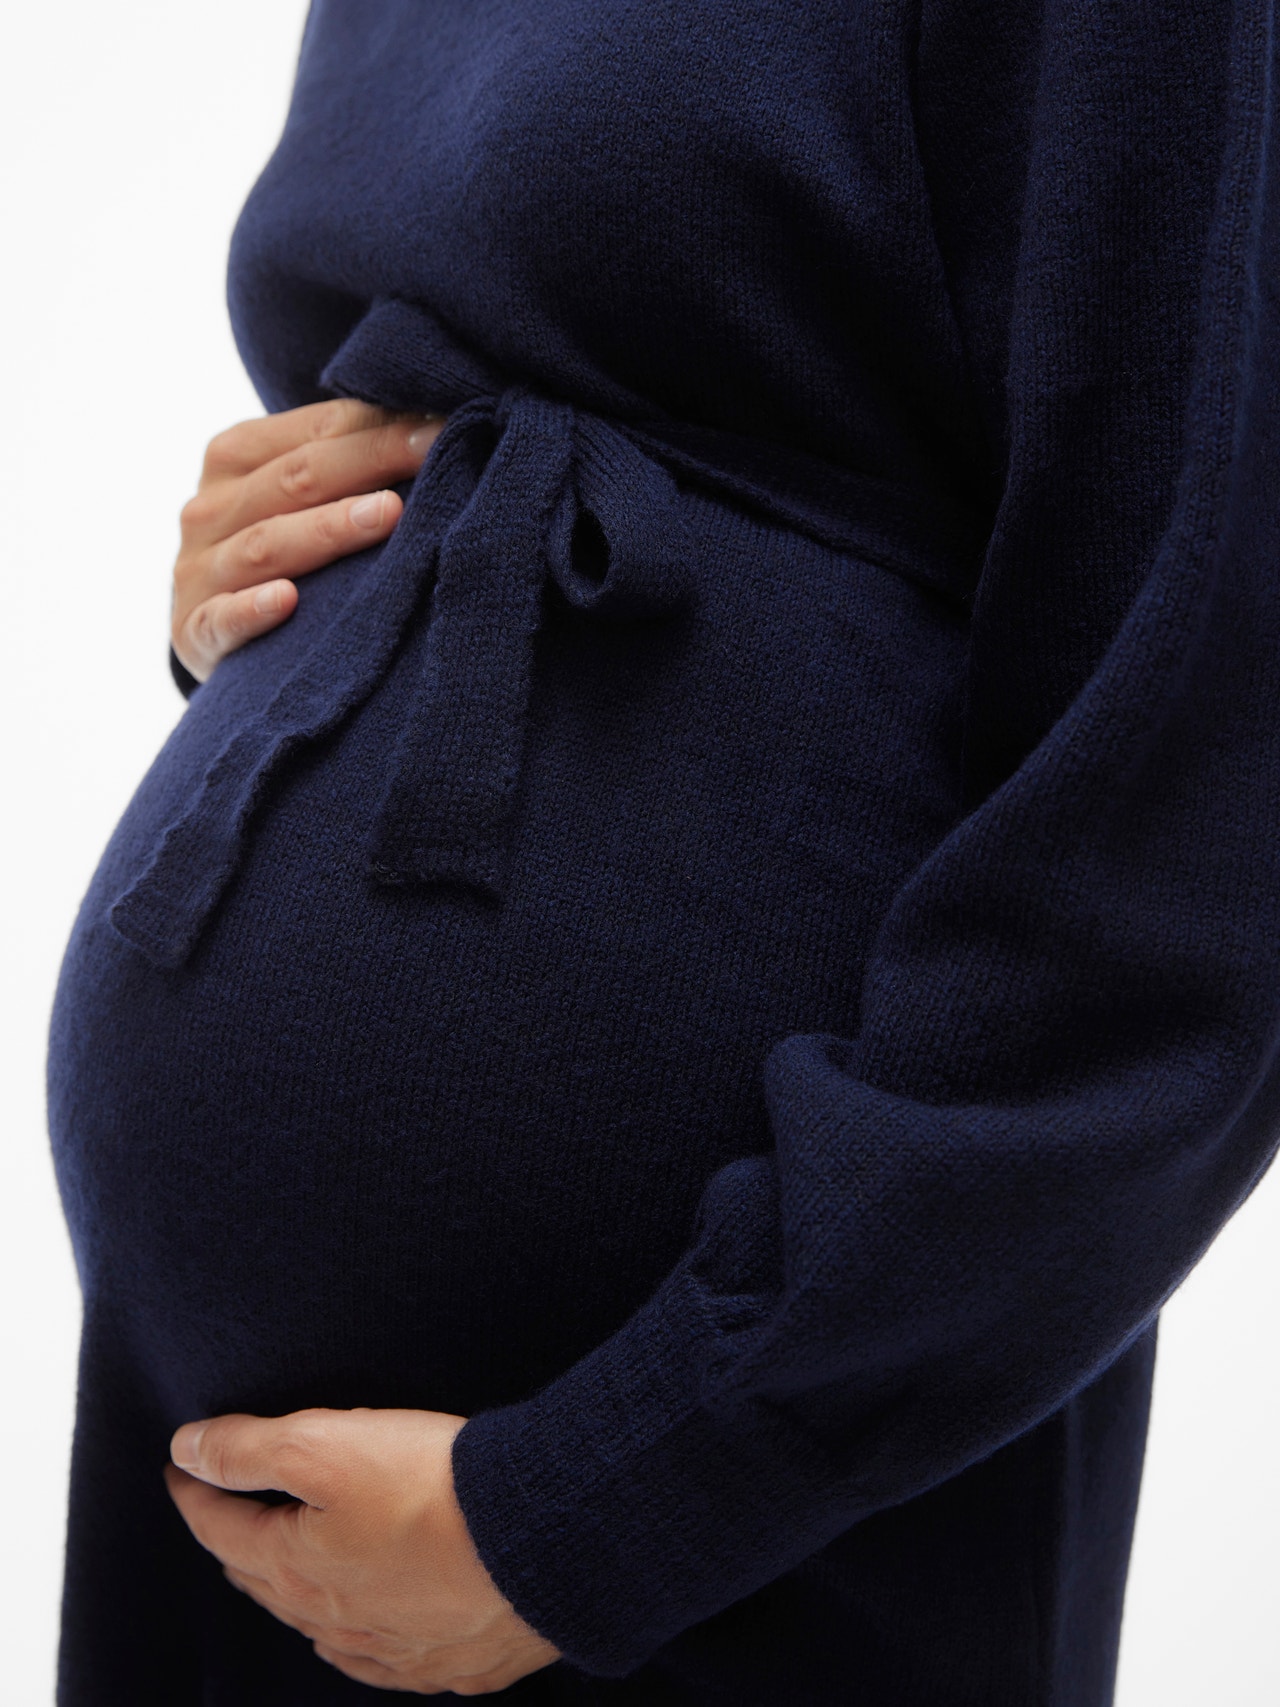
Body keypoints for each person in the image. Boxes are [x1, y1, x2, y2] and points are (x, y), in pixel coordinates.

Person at [46, 0, 1280, 1701]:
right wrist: (285, 610)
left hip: (737, 1509)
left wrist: (606, 1502)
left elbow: (1200, 803)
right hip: (222, 1498)